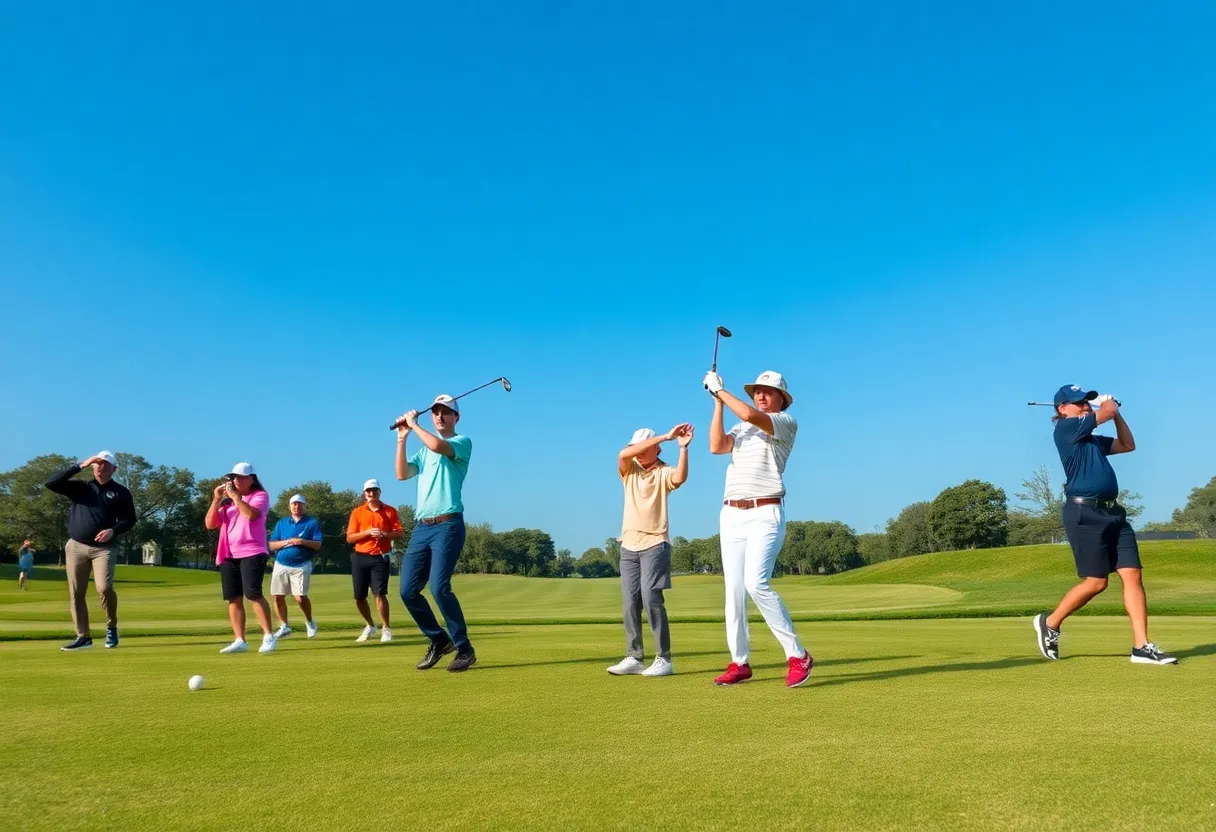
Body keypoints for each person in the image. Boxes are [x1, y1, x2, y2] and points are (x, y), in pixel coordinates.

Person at [1032, 386, 1177, 665]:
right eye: (1079, 403)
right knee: (1097, 583)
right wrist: (1109, 405)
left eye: (1087, 403)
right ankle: (1050, 623)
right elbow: (1106, 411)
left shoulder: (1091, 440)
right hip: (1084, 513)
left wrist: (1117, 415)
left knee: (1132, 574)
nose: (1085, 407)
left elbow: (1127, 445)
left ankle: (1141, 646)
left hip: (1114, 514)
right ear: (1062, 409)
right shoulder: (1065, 430)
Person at [703, 369, 813, 688]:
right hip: (731, 514)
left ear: (782, 399)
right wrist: (717, 402)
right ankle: (739, 662)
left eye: (768, 391)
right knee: (734, 592)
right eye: (757, 391)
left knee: (756, 583)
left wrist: (720, 391)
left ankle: (798, 655)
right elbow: (716, 446)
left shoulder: (784, 422)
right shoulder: (741, 427)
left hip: (765, 511)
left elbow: (750, 414)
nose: (761, 395)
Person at [394, 394, 477, 672]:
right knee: (407, 591)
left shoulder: (461, 442)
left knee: (439, 588)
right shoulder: (423, 449)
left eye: (446, 412)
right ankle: (439, 641)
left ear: (456, 417)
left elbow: (438, 445)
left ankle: (464, 649)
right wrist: (402, 438)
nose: (440, 416)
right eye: (436, 412)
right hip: (422, 528)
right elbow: (402, 474)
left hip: (448, 525)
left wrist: (414, 425)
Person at [606, 424, 693, 678]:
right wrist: (665, 436)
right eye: (636, 448)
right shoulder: (629, 469)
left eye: (645, 448)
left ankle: (663, 659)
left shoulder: (664, 472)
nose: (639, 452)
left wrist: (683, 448)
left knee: (651, 599)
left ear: (658, 449)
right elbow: (623, 454)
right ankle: (634, 657)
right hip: (628, 545)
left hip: (655, 543)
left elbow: (680, 478)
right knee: (630, 604)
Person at [45, 451, 135, 651]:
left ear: (114, 469)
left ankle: (111, 626)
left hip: (104, 549)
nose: (100, 467)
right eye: (97, 463)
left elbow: (130, 519)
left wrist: (113, 530)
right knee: (76, 593)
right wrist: (81, 464)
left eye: (104, 464)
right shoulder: (81, 488)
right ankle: (83, 637)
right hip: (76, 547)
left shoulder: (120, 492)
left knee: (104, 588)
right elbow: (51, 483)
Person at [205, 463, 276, 655]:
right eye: (234, 477)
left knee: (253, 593)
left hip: (252, 550)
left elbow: (251, 515)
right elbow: (210, 524)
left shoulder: (260, 496)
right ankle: (240, 640)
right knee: (233, 597)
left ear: (252, 479)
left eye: (241, 477)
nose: (236, 480)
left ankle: (268, 636)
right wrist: (216, 499)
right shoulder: (226, 503)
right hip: (228, 553)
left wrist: (236, 498)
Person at [345, 479, 402, 643]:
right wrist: (367, 533)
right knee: (359, 597)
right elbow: (350, 538)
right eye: (368, 491)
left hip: (380, 556)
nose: (371, 493)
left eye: (374, 490)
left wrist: (384, 534)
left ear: (379, 492)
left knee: (380, 594)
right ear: (365, 493)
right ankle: (370, 625)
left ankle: (386, 628)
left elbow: (399, 533)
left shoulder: (390, 511)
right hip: (360, 556)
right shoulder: (357, 512)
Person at [269, 494, 322, 639]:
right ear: (289, 506)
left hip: (301, 564)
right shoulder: (282, 523)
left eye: (299, 504)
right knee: (277, 596)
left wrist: (302, 541)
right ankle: (284, 626)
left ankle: (310, 621)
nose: (296, 506)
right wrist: (287, 542)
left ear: (305, 506)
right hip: (281, 563)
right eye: (294, 504)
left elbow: (317, 544)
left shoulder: (312, 523)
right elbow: (272, 545)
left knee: (300, 597)